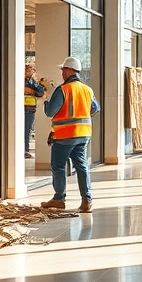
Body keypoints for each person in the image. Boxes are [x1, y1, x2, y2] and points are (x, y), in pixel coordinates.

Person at [41, 56, 99, 213]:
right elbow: (95, 108)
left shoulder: (63, 90)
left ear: (69, 70)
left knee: (58, 166)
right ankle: (87, 200)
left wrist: (47, 96)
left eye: (63, 70)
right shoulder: (87, 89)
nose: (61, 73)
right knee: (81, 165)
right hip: (84, 134)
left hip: (64, 136)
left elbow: (50, 112)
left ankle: (59, 199)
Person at [23, 64, 47, 159]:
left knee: (26, 130)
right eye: (25, 70)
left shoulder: (34, 82)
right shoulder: (17, 80)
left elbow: (40, 92)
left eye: (29, 70)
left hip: (29, 110)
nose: (27, 72)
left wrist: (31, 82)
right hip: (19, 109)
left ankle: (25, 150)